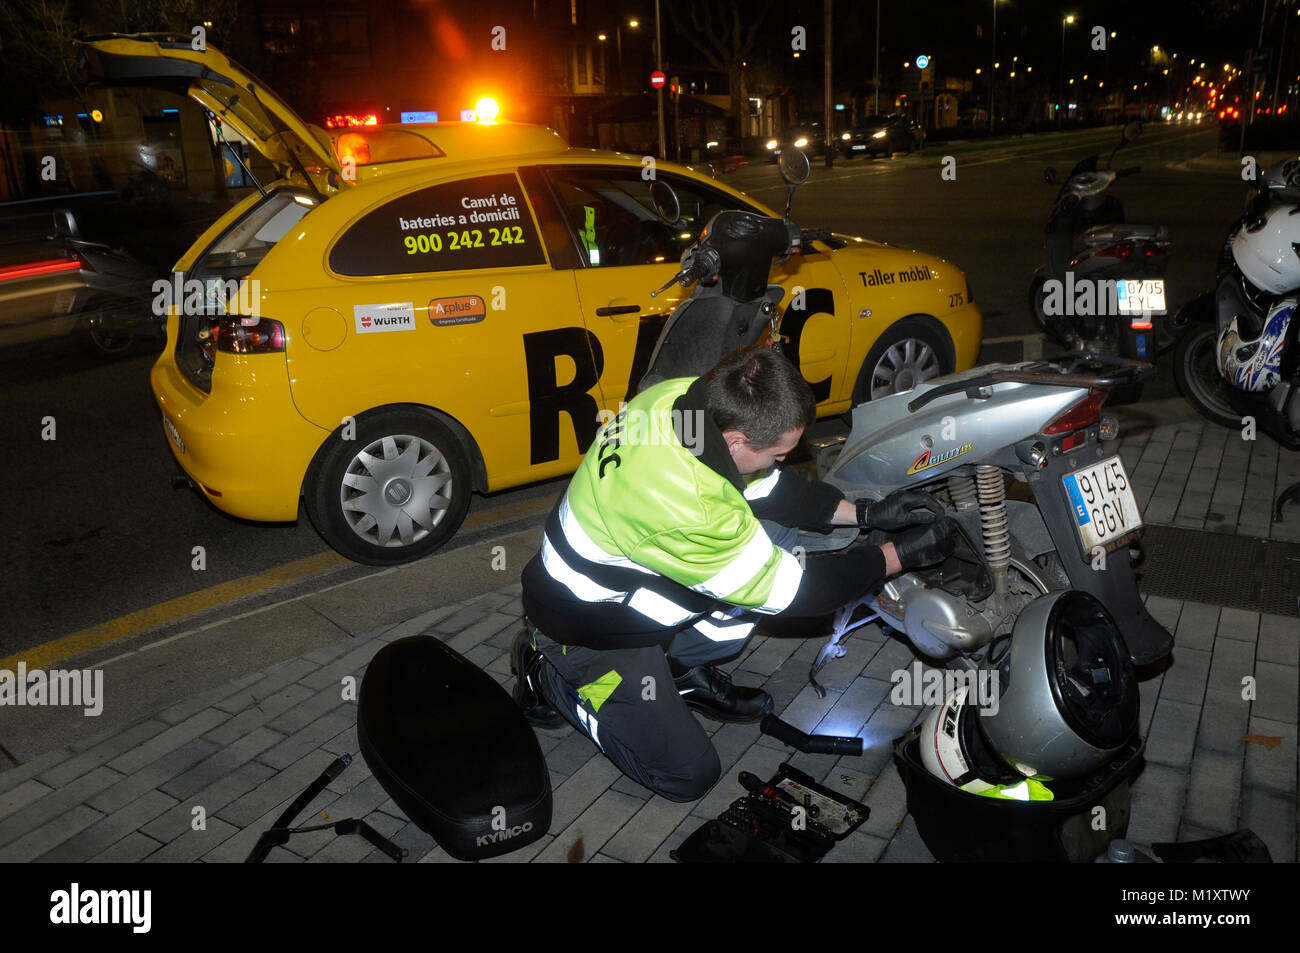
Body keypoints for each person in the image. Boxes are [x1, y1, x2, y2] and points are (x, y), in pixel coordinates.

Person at [514, 346, 958, 802]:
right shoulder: (693, 511)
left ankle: (677, 671)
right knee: (689, 775)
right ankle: (546, 674)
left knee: (772, 539)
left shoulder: (676, 401)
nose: (784, 460)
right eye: (779, 452)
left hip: (620, 580)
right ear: (736, 442)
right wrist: (897, 556)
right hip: (583, 629)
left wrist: (865, 514)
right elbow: (795, 593)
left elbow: (767, 488)